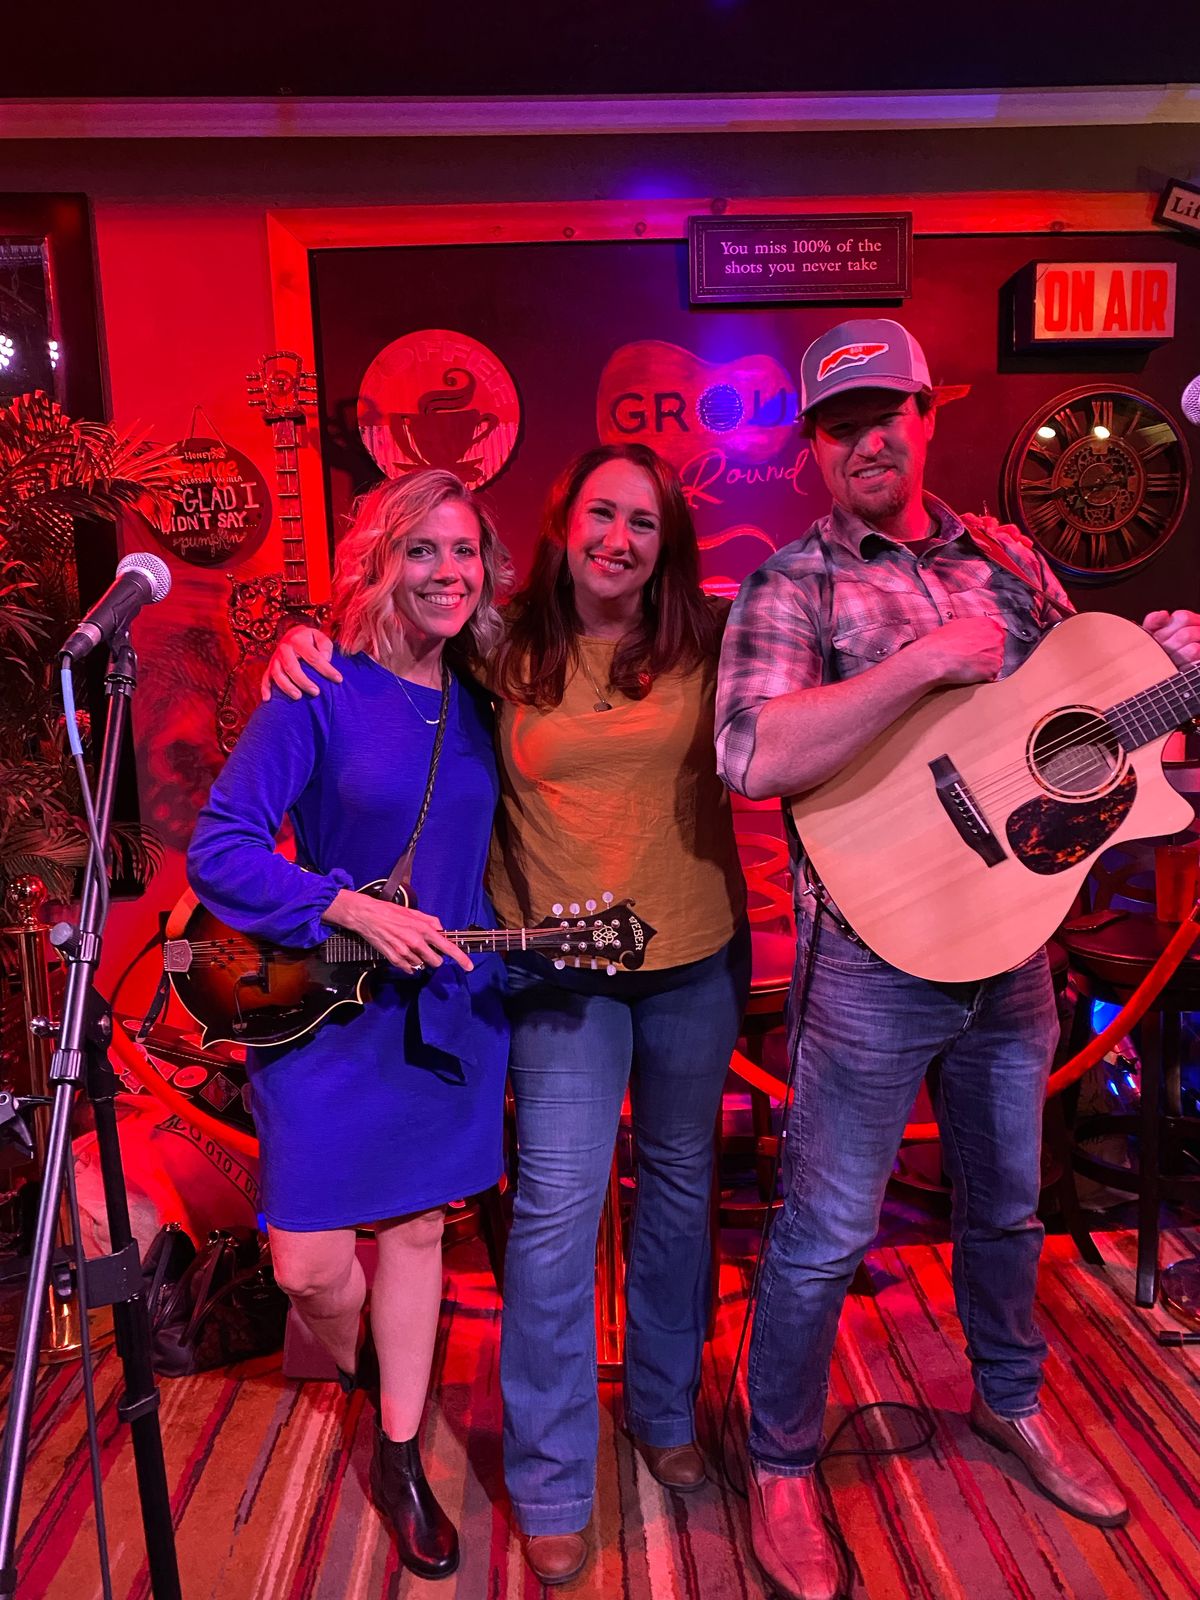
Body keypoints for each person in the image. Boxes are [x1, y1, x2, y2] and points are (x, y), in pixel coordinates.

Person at [714, 317, 1200, 1600]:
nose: (866, 441)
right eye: (839, 426)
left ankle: (1009, 1399)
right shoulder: (794, 584)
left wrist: (1168, 672)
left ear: (929, 414)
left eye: (886, 413)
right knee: (827, 1228)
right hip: (870, 956)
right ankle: (780, 1460)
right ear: (813, 449)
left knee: (1007, 1204)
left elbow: (1082, 718)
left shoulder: (1009, 556)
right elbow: (753, 754)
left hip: (1015, 941)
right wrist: (922, 664)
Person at [264, 442, 749, 1586]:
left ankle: (665, 1409)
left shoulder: (715, 635)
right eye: (600, 514)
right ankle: (549, 1478)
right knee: (556, 1213)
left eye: (642, 521)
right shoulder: (504, 639)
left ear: (667, 542)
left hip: (693, 962)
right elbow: (394, 637)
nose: (618, 538)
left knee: (680, 1191)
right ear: (562, 525)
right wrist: (298, 636)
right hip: (558, 971)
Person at [188, 469, 512, 1581]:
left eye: (464, 551)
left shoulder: (489, 693)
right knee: (308, 1267)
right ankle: (382, 1377)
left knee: (418, 1234)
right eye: (421, 550)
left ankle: (403, 1448)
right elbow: (221, 846)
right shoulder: (318, 685)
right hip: (327, 1012)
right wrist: (345, 904)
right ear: (380, 561)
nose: (447, 573)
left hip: (444, 1010)